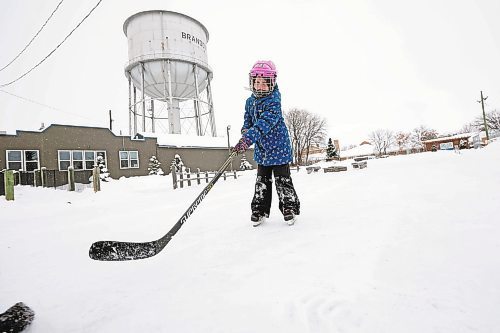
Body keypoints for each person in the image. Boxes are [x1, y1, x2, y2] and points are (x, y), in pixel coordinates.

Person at [233, 60, 300, 227]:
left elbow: (264, 123)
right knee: (262, 180)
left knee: (282, 179)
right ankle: (259, 210)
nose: (260, 85)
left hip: (279, 148)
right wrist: (244, 134)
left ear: (272, 83)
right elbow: (248, 122)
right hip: (262, 150)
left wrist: (249, 138)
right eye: (257, 82)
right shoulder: (250, 102)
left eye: (264, 82)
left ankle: (288, 207)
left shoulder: (274, 101)